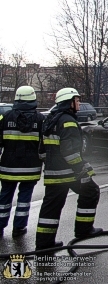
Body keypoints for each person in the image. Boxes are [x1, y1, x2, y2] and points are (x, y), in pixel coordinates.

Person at [36, 88, 102, 252]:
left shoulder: (51, 119)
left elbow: (42, 150)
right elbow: (70, 152)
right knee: (91, 190)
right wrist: (81, 169)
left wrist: (51, 165)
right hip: (68, 173)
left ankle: (44, 242)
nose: (79, 103)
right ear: (69, 102)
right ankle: (83, 230)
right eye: (77, 100)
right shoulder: (68, 121)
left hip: (52, 173)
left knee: (51, 205)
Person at [0, 86, 45, 237]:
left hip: (8, 167)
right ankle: (19, 228)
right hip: (30, 168)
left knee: (4, 197)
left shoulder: (5, 117)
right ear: (33, 99)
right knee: (24, 200)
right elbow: (44, 145)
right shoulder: (40, 119)